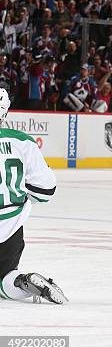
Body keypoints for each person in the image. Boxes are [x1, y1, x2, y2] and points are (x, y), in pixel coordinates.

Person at [0, 88, 67, 304]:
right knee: (5, 279)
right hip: (10, 227)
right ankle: (23, 281)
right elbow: (46, 191)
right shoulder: (23, 142)